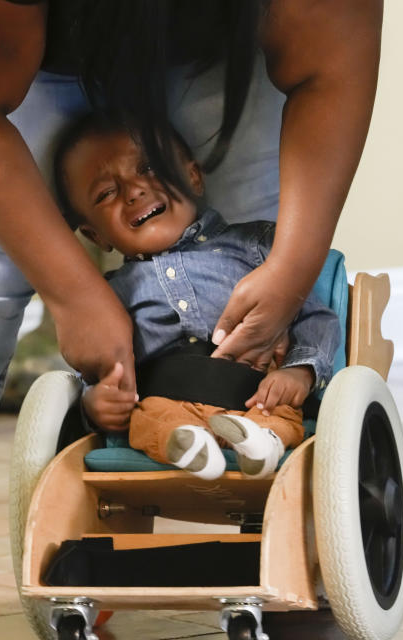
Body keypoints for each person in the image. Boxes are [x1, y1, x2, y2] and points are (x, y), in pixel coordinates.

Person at [0, 2, 382, 639]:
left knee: (246, 242)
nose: (132, 191)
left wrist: (291, 272)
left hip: (205, 34)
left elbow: (331, 60)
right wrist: (74, 295)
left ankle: (291, 526)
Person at [55, 115, 340, 480]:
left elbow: (316, 317)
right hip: (164, 401)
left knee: (279, 413)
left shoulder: (257, 246)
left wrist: (299, 372)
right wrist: (95, 402)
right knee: (147, 422)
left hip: (258, 394)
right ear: (95, 236)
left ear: (192, 176)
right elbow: (97, 366)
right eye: (106, 193)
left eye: (149, 167)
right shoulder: (107, 296)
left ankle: (261, 443)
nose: (134, 190)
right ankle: (189, 444)